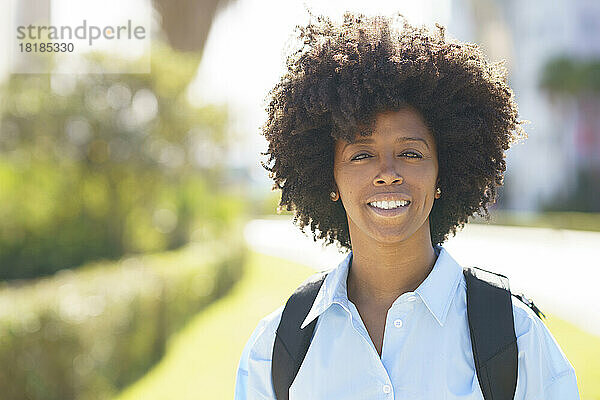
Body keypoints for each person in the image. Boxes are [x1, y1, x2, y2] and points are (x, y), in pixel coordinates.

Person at [235, 12, 580, 399]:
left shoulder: (515, 337)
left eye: (411, 153)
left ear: (441, 175)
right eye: (361, 154)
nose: (387, 173)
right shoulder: (277, 348)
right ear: (329, 178)